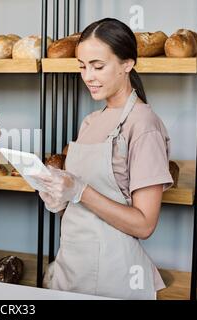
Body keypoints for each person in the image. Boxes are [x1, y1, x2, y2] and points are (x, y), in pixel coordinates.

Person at [37, 18, 173, 299]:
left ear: (127, 63)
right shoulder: (89, 122)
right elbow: (84, 210)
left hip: (113, 276)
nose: (88, 76)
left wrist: (81, 191)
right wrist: (61, 199)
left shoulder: (143, 125)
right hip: (71, 267)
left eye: (98, 66)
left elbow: (144, 224)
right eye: (82, 67)